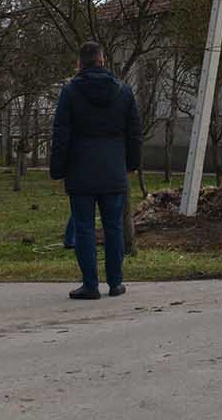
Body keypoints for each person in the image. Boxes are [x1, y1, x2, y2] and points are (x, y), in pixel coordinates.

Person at [50, 41, 141, 300]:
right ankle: (116, 282)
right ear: (103, 61)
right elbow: (134, 132)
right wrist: (132, 164)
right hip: (114, 169)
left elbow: (61, 133)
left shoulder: (70, 92)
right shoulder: (123, 91)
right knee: (113, 227)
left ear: (80, 63)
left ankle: (90, 285)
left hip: (80, 169)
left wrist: (58, 169)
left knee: (84, 227)